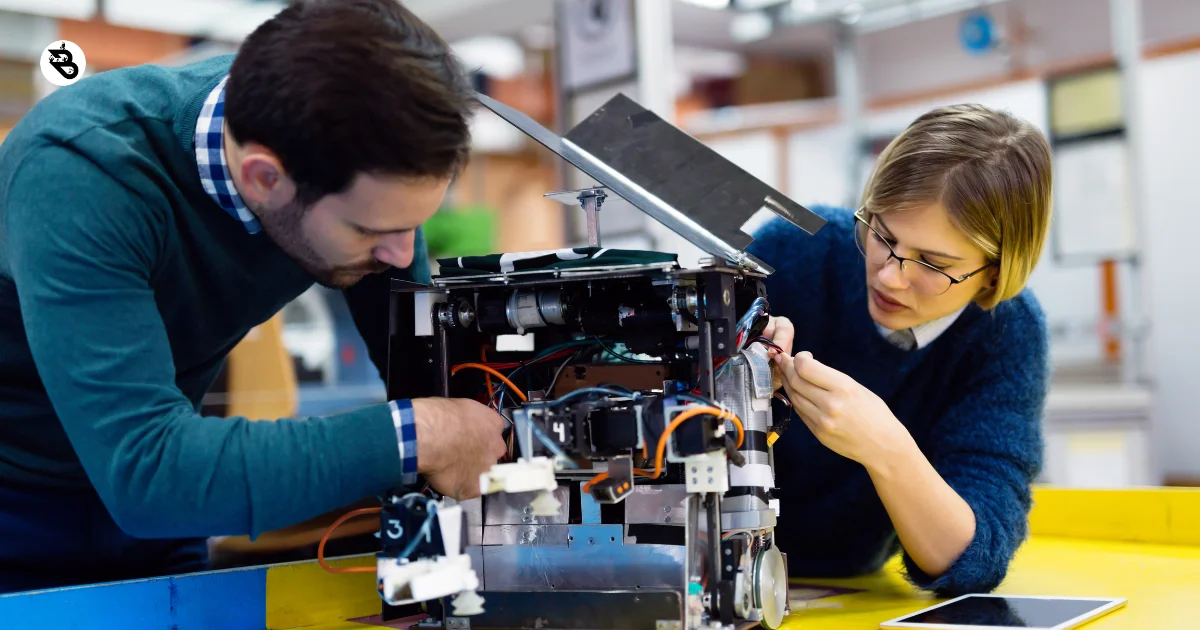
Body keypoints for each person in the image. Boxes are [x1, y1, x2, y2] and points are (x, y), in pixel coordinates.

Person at [0, 0, 506, 593]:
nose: (400, 255)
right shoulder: (83, 172)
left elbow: (438, 394)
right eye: (369, 231)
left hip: (159, 514)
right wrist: (419, 433)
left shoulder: (348, 165)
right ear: (264, 178)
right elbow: (149, 474)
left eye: (412, 224)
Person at [749, 103, 1053, 597]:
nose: (890, 276)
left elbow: (973, 556)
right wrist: (734, 364)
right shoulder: (794, 248)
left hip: (849, 590)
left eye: (934, 263)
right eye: (883, 235)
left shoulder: (1007, 333)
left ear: (995, 273)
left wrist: (884, 446)